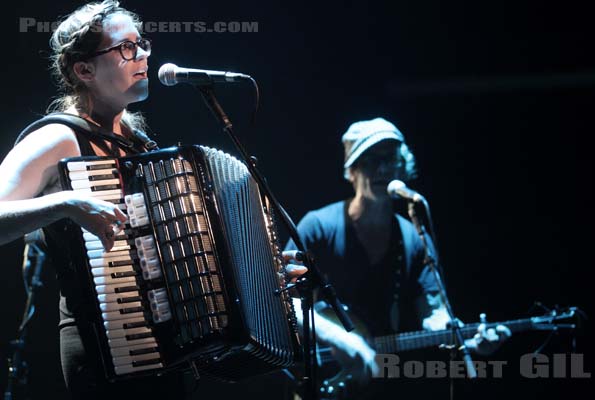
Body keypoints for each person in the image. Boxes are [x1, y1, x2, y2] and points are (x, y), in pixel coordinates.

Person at [0, 1, 305, 399]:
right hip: (101, 351)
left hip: (164, 349)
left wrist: (260, 273)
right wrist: (66, 204)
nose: (143, 54)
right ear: (84, 70)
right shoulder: (58, 138)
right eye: (125, 48)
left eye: (142, 43)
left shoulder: (137, 145)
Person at [285, 117, 511, 398]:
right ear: (352, 171)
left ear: (403, 165)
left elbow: (433, 312)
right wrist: (339, 338)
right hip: (319, 376)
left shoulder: (415, 236)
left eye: (390, 158)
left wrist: (469, 340)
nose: (382, 169)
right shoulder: (317, 226)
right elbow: (288, 302)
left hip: (385, 381)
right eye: (370, 160)